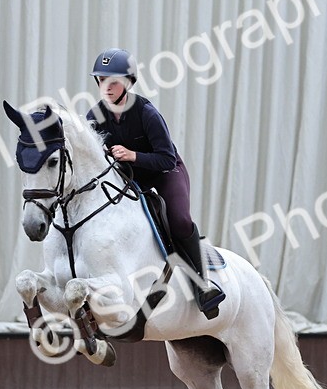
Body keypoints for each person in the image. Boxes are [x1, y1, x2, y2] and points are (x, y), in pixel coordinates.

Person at [85, 48, 224, 316]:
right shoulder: (94, 116)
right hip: (129, 178)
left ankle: (202, 284)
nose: (107, 87)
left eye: (113, 81)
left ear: (128, 83)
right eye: (101, 80)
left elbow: (167, 159)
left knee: (179, 220)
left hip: (165, 172)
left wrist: (133, 155)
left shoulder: (147, 113)